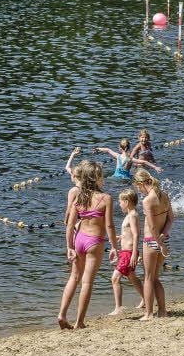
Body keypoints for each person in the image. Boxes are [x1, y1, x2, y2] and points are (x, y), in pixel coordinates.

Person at [58, 161, 118, 329]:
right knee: (87, 282)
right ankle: (79, 322)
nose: (103, 179)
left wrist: (69, 247)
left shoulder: (79, 197)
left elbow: (70, 225)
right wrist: (114, 246)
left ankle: (62, 314)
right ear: (96, 178)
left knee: (74, 277)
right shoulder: (106, 198)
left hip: (79, 239)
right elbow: (109, 225)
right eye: (102, 176)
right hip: (94, 242)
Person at [133, 170, 172, 321]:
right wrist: (164, 236)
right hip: (164, 239)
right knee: (155, 277)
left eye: (138, 186)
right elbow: (171, 218)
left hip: (151, 241)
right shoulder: (164, 195)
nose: (139, 190)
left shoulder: (147, 200)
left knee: (148, 278)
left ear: (141, 183)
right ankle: (162, 311)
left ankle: (148, 313)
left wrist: (158, 243)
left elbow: (152, 226)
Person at [109, 189, 144, 315]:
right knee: (132, 277)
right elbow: (128, 233)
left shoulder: (132, 215)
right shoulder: (129, 215)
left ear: (127, 202)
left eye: (120, 202)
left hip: (129, 253)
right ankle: (145, 299)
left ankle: (118, 307)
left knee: (115, 279)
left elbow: (136, 234)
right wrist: (121, 237)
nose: (119, 204)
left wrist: (134, 254)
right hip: (125, 252)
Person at [94, 139, 160, 181]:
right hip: (126, 179)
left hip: (115, 177)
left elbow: (108, 150)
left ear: (120, 148)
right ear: (129, 148)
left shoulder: (118, 156)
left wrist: (98, 149)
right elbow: (144, 161)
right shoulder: (130, 159)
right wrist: (155, 167)